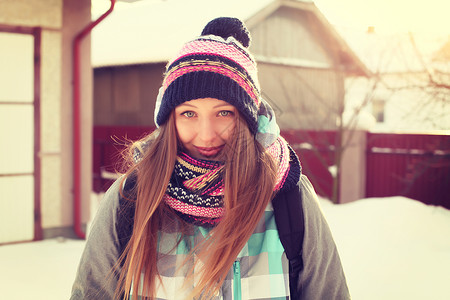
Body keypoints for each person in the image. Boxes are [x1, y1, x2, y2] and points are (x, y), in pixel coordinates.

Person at [70, 17, 350, 300]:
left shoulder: (290, 200)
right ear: (170, 120)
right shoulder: (129, 200)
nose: (206, 135)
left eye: (224, 113)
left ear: (247, 118)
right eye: (189, 113)